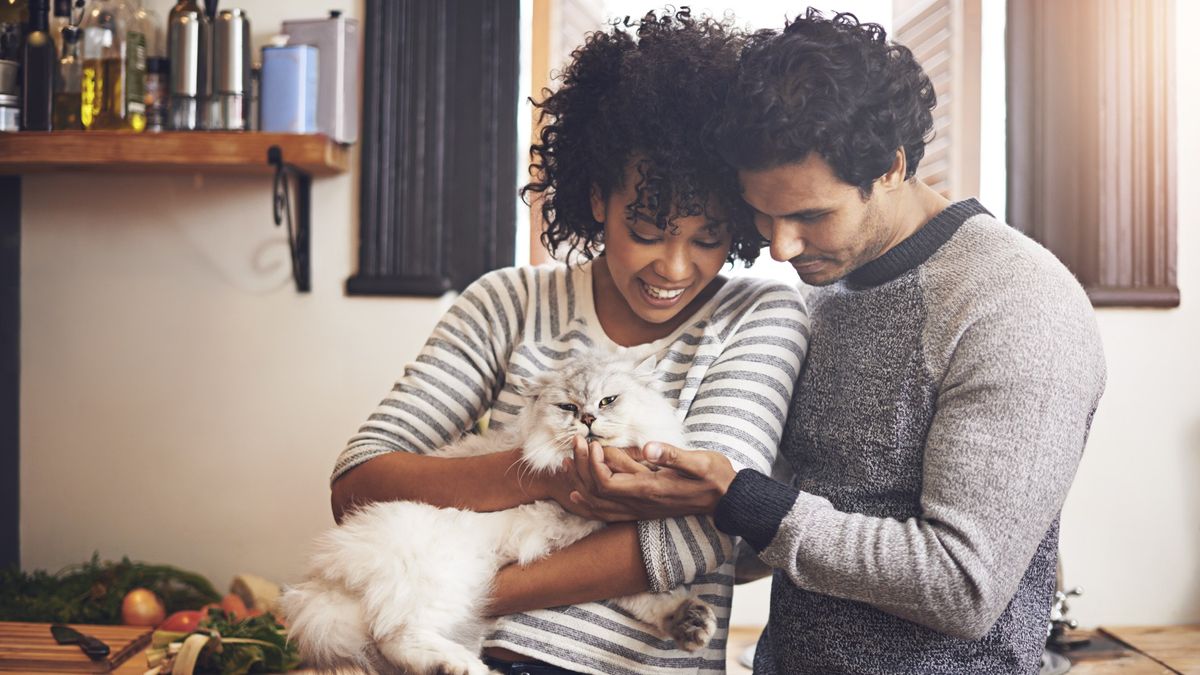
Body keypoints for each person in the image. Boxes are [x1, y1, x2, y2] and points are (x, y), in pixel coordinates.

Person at [566, 9, 1107, 674]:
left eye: (809, 215)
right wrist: (648, 504)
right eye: (762, 213)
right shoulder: (818, 297)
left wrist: (740, 498)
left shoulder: (1018, 304)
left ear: (891, 167)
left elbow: (964, 585)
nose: (781, 246)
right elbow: (792, 532)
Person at [328, 10, 810, 675]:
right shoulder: (507, 302)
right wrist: (546, 475)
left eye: (707, 237)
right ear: (596, 198)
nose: (673, 267)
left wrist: (435, 597)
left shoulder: (760, 316)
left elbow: (706, 525)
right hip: (478, 651)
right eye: (646, 227)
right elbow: (360, 482)